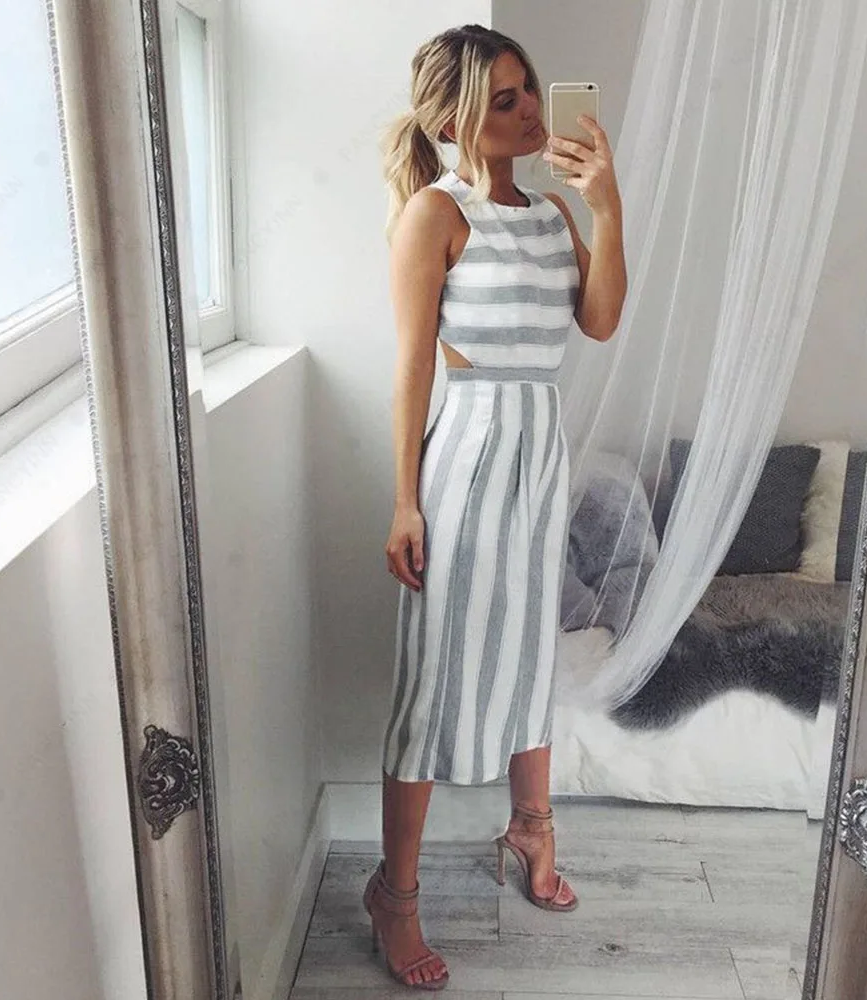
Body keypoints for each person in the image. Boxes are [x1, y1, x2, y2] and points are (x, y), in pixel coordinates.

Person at [366, 23, 626, 990]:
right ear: (452, 121)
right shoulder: (435, 214)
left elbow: (599, 320)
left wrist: (606, 206)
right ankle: (394, 896)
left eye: (529, 92)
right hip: (469, 458)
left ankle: (532, 829)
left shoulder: (554, 213)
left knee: (525, 652)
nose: (528, 111)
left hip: (538, 455)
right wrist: (404, 503)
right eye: (504, 99)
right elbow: (410, 368)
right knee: (436, 675)